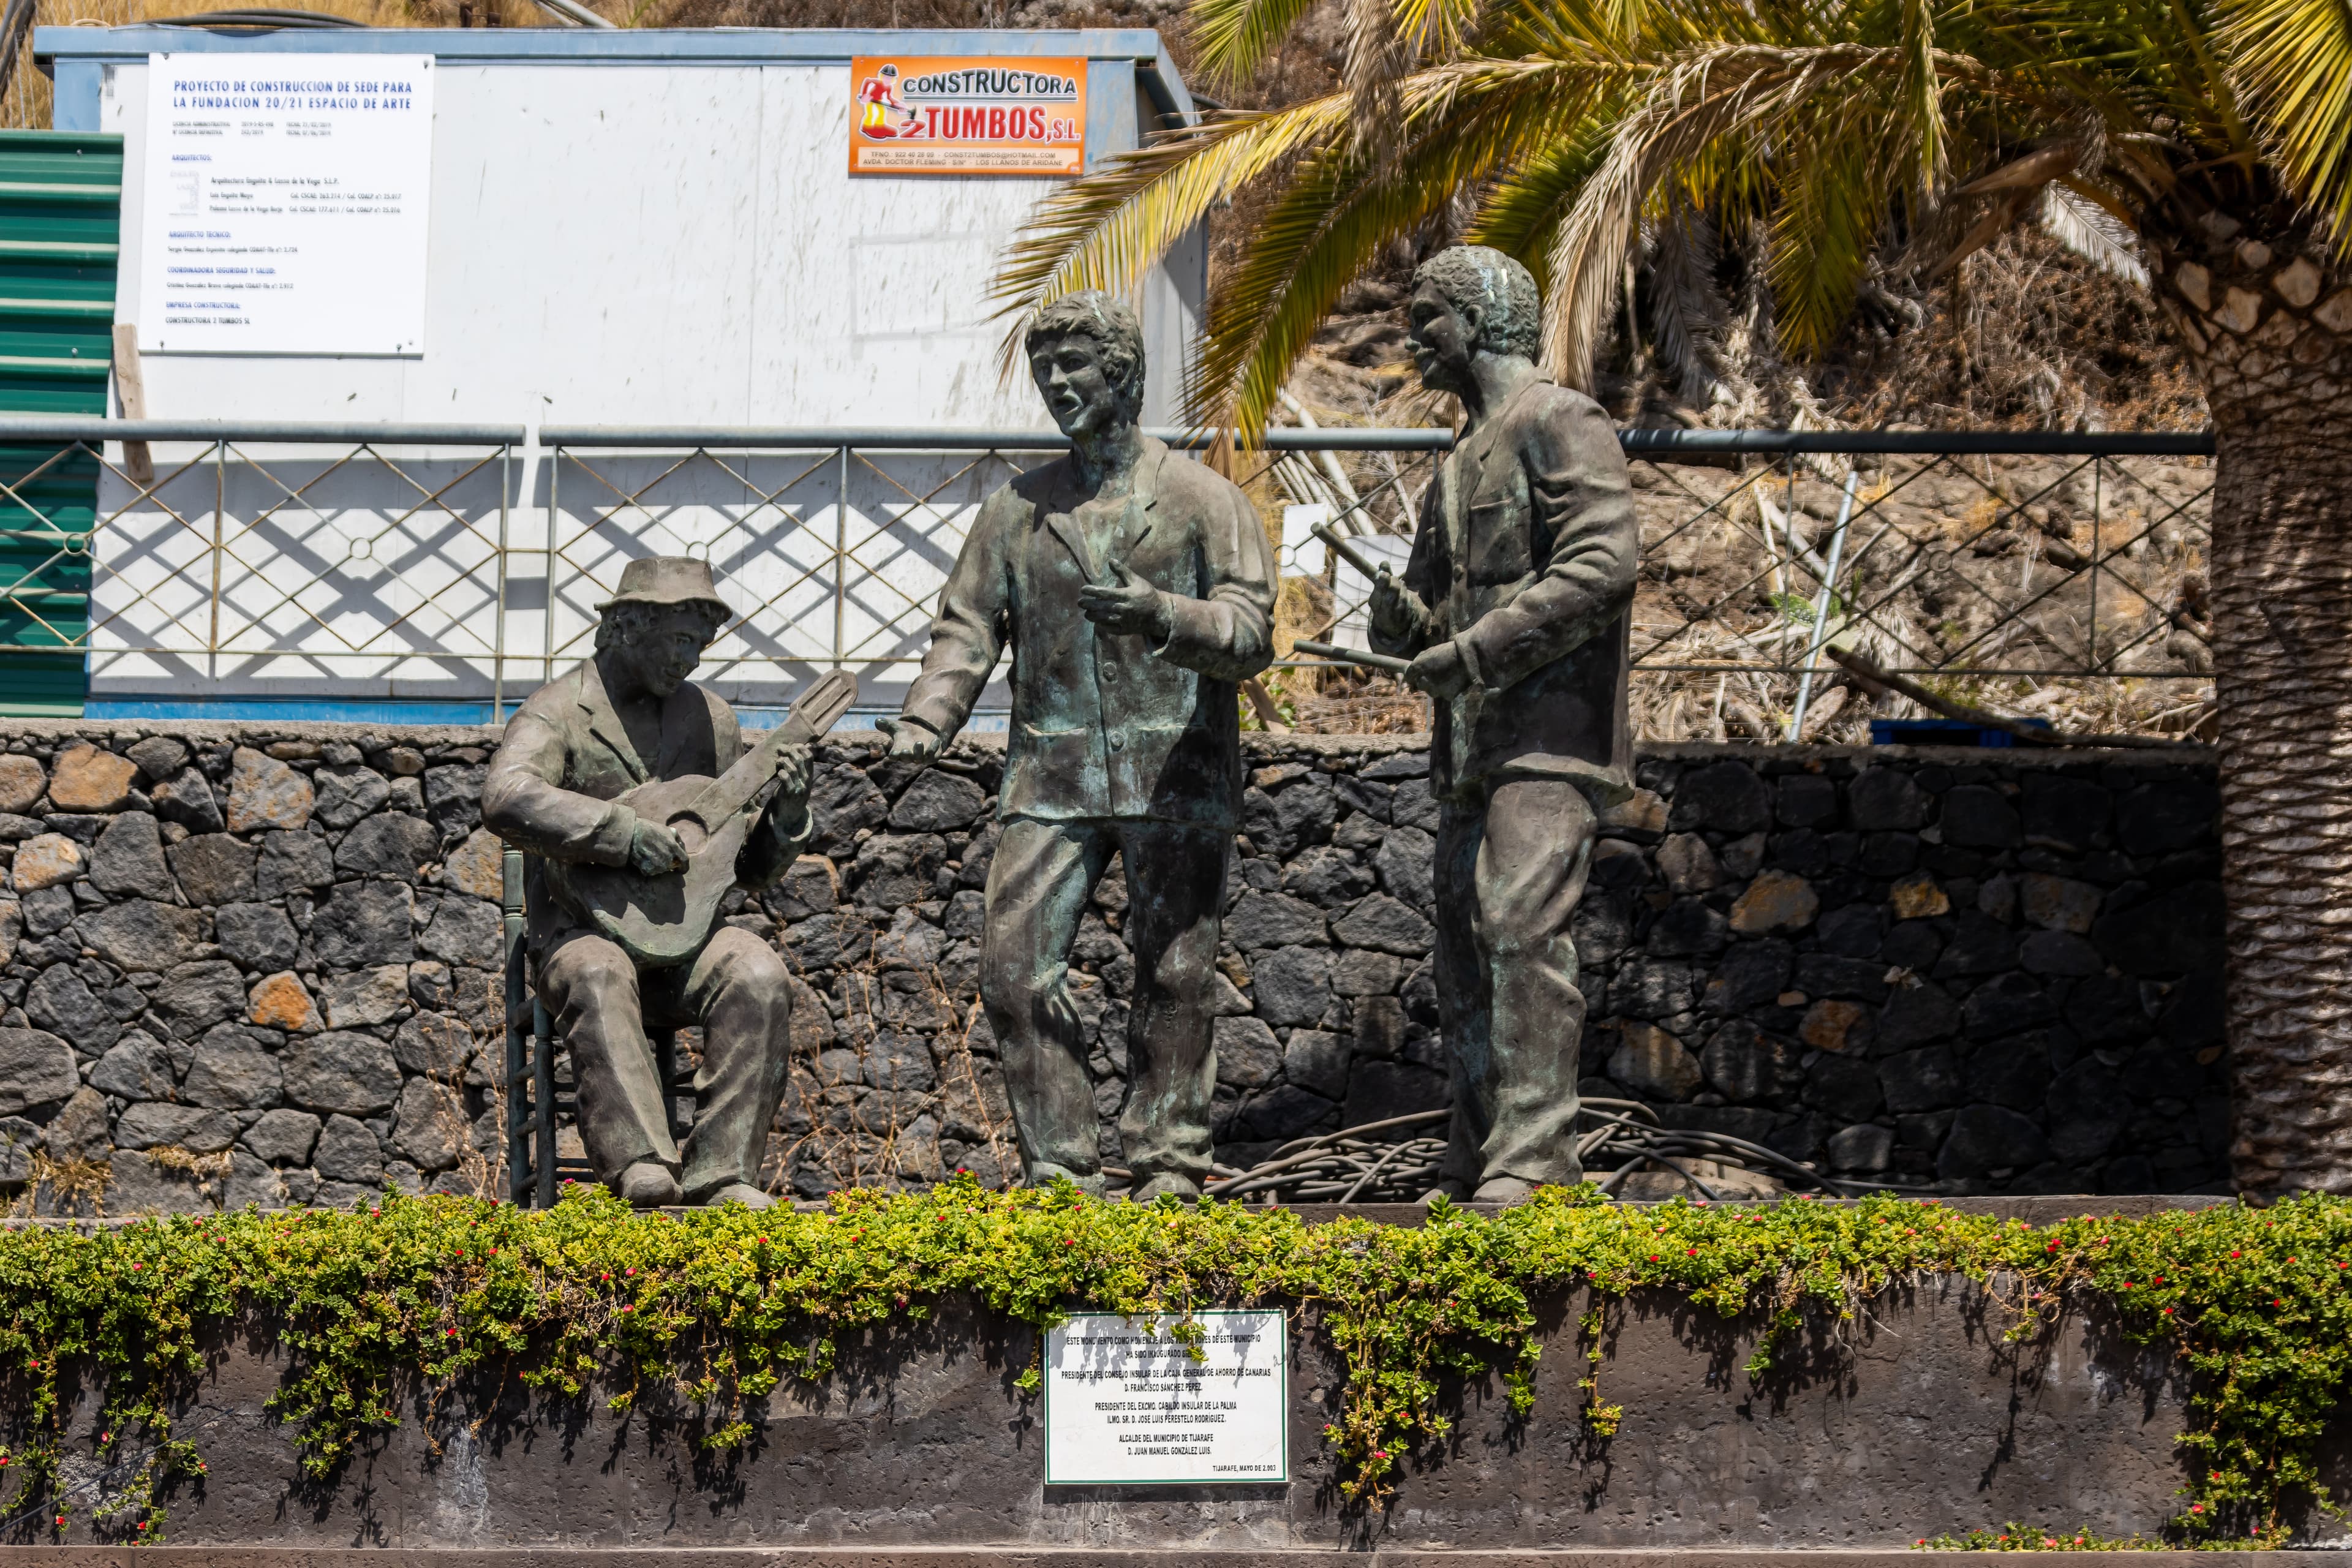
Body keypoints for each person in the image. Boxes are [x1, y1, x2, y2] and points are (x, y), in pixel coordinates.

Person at [883, 290, 1278, 1199]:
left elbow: (1253, 633)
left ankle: (1168, 1158)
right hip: (1051, 776)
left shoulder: (1203, 502)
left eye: (1074, 367)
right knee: (1014, 970)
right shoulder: (1015, 513)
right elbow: (965, 632)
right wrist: (924, 720)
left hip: (1174, 770)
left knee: (1176, 972)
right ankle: (1061, 1162)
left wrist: (1162, 615)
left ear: (1124, 373)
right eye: (1043, 371)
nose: (1057, 385)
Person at [1368, 245, 1639, 1203]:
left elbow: (1603, 565)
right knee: (1464, 947)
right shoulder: (1460, 456)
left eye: (1427, 320)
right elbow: (1427, 604)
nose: (1414, 341)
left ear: (1476, 325)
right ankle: (1477, 1149)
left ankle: (1537, 1161)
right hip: (1472, 749)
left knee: (1522, 932)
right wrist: (1408, 620)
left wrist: (1476, 652)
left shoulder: (1561, 419)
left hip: (1547, 739)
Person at [482, 557, 810, 1209]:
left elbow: (740, 867)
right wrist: (622, 832)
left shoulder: (712, 721)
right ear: (629, 626)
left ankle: (722, 1172)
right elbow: (505, 795)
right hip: (580, 934)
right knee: (599, 973)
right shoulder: (560, 710)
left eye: (700, 644)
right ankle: (642, 1168)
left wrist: (787, 817)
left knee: (759, 973)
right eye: (679, 640)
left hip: (684, 943)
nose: (690, 659)